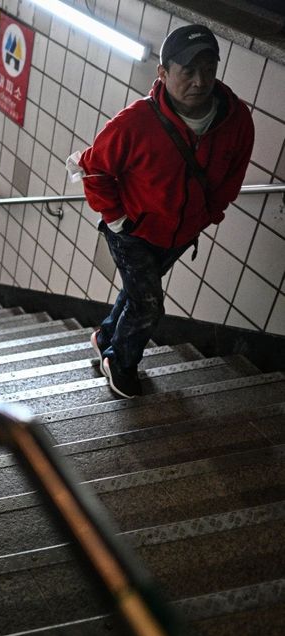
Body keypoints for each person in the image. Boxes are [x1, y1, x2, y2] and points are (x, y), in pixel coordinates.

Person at [78, 24, 254, 398]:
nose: (199, 80)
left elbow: (233, 174)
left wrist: (210, 214)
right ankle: (119, 360)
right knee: (148, 305)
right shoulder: (134, 122)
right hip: (132, 230)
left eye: (208, 69)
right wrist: (117, 218)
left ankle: (105, 334)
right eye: (187, 71)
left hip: (180, 232)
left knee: (140, 292)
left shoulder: (236, 119)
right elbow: (94, 169)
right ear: (163, 73)